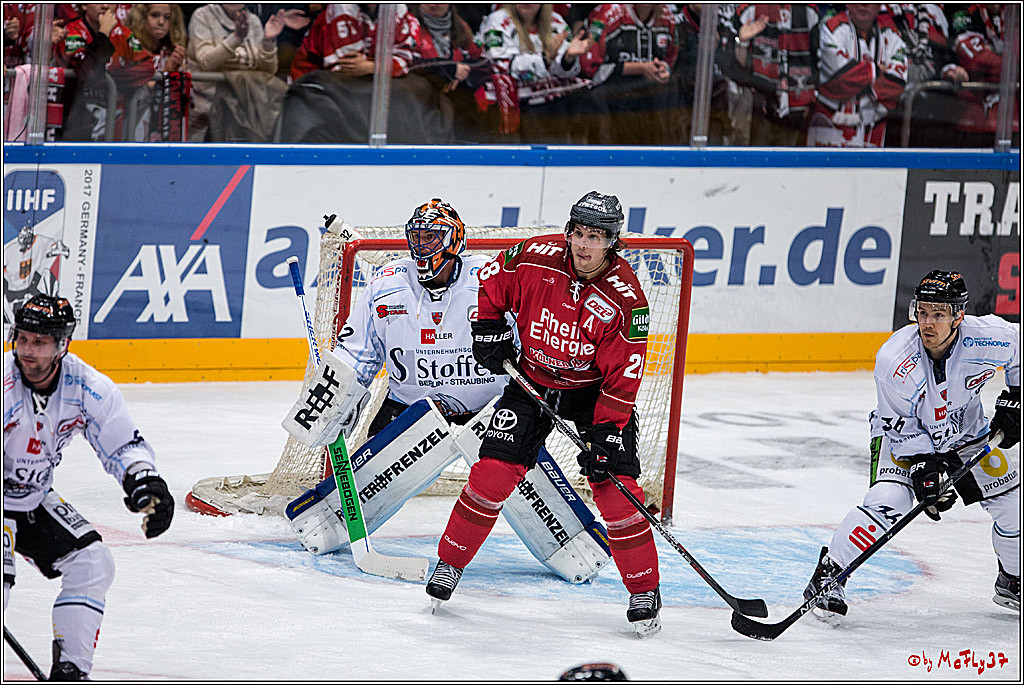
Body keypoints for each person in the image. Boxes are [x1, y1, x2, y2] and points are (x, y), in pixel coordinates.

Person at [426, 191, 663, 636]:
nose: (583, 244)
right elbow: (491, 280)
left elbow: (623, 377)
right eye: (578, 232)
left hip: (594, 395)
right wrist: (490, 327)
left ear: (613, 241)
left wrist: (607, 435)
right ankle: (449, 563)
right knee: (492, 473)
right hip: (531, 379)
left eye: (596, 236)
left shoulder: (626, 299)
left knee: (615, 488)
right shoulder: (534, 255)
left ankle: (644, 589)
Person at [803, 271, 1020, 622]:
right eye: (923, 312)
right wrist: (923, 465)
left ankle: (1013, 579)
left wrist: (1016, 397)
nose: (929, 322)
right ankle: (829, 575)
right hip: (902, 435)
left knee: (1013, 501)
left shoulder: (988, 337)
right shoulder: (895, 359)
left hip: (968, 434)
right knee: (891, 502)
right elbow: (899, 423)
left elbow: (1020, 349)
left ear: (958, 315)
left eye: (939, 313)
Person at [3, 295, 174, 680]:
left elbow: (121, 443)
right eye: (23, 339)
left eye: (40, 342)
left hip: (32, 498)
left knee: (93, 563)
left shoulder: (87, 387)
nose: (27, 350)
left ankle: (71, 671)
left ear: (62, 345)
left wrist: (145, 481)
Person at [336, 198, 501, 432]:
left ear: (453, 240)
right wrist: (338, 400)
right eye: (416, 237)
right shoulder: (388, 283)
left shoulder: (488, 278)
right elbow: (357, 353)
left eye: (430, 237)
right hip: (408, 408)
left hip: (489, 409)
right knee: (373, 469)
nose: (421, 246)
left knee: (508, 467)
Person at [476, 3, 593, 143]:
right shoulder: (495, 21)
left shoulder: (556, 22)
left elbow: (563, 72)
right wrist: (543, 59)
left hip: (552, 104)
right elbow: (503, 66)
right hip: (515, 103)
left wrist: (568, 58)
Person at [186, 3, 303, 141]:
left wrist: (268, 41)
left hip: (246, 109)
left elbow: (268, 71)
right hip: (207, 109)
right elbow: (206, 61)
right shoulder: (203, 16)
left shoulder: (252, 21)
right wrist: (236, 39)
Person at [806, 3, 908, 148]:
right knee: (822, 170)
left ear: (880, 5)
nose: (864, 4)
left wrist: (856, 78)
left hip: (873, 130)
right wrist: (876, 72)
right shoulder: (830, 27)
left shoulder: (893, 35)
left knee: (870, 170)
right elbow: (837, 77)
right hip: (830, 124)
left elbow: (897, 84)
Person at [718, 4, 819, 146]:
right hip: (758, 104)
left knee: (788, 162)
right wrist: (743, 41)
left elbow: (817, 61)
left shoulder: (809, 11)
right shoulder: (749, 9)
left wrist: (809, 97)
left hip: (796, 104)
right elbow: (736, 66)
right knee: (752, 159)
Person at [60, 3, 158, 141]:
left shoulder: (123, 33)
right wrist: (104, 32)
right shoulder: (71, 31)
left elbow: (148, 67)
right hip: (74, 122)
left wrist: (110, 78)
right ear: (83, 5)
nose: (105, 6)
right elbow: (88, 71)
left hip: (114, 125)